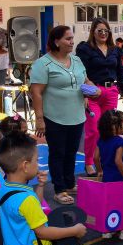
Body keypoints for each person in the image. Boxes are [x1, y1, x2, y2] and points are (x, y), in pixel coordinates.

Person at [30, 25, 91, 205]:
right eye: (68, 39)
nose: (72, 42)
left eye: (72, 38)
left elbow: (85, 81)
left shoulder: (77, 61)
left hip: (77, 116)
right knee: (58, 153)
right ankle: (59, 189)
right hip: (54, 117)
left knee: (71, 152)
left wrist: (93, 90)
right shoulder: (43, 64)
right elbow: (36, 93)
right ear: (56, 41)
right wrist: (39, 119)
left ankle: (69, 182)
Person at [75, 17, 123, 177]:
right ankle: (90, 162)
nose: (103, 33)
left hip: (110, 91)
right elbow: (80, 71)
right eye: (100, 30)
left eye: (106, 31)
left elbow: (120, 71)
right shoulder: (85, 49)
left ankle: (106, 161)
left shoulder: (115, 49)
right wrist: (85, 93)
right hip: (92, 91)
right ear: (93, 32)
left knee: (109, 128)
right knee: (93, 129)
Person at [98, 109, 123, 241]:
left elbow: (95, 157)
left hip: (107, 177)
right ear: (115, 127)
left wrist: (100, 170)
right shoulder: (119, 142)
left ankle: (108, 230)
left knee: (109, 203)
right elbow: (118, 160)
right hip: (118, 178)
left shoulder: (101, 140)